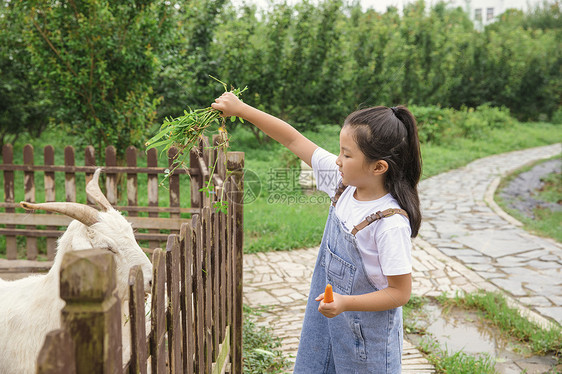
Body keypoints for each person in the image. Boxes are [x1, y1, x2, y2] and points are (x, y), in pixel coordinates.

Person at [212, 92, 422, 373]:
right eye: (339, 151)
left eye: (347, 154)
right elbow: (293, 139)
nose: (337, 160)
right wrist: (242, 110)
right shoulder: (343, 185)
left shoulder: (389, 223)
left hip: (367, 345)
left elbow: (400, 293)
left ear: (378, 167)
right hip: (326, 325)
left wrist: (346, 302)